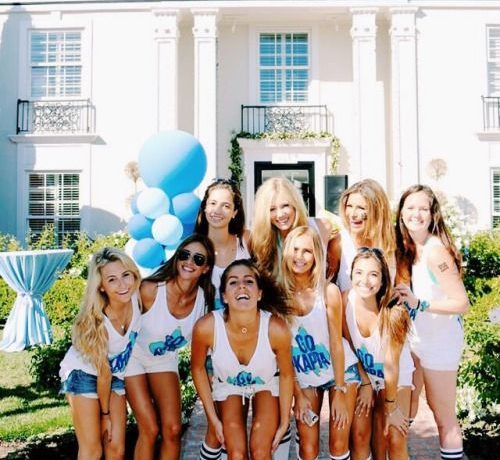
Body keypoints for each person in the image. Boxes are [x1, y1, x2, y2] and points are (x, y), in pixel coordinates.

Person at [394, 185, 469, 460]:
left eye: (423, 208)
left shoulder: (436, 252)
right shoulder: (409, 247)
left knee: (443, 417)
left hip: (440, 344)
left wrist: (420, 304)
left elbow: (461, 303)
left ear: (432, 214)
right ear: (401, 212)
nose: (416, 214)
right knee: (405, 407)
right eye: (410, 207)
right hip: (416, 340)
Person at [191, 259, 294, 460]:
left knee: (261, 451)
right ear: (224, 296)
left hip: (266, 383)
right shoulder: (206, 327)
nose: (241, 286)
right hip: (228, 385)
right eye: (233, 282)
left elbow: (286, 375)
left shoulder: (276, 328)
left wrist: (284, 422)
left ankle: (280, 434)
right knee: (236, 453)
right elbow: (198, 369)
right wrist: (213, 419)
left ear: (259, 293)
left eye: (248, 281)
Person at [124, 234, 215, 460]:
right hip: (132, 357)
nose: (189, 262)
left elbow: (207, 349)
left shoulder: (204, 300)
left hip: (163, 360)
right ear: (176, 257)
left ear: (205, 268)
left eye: (198, 259)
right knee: (149, 428)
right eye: (185, 255)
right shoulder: (150, 289)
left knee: (173, 429)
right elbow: (118, 325)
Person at [280, 226, 359, 460]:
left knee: (338, 443)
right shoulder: (278, 294)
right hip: (304, 375)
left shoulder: (328, 291)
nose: (300, 256)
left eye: (307, 251)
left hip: (340, 372)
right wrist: (297, 394)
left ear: (316, 256)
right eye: (295, 249)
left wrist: (341, 391)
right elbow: (282, 352)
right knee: (308, 447)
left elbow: (336, 343)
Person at [59, 247, 141, 459]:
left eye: (126, 275)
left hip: (114, 376)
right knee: (92, 450)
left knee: (116, 449)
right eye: (112, 280)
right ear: (101, 286)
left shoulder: (137, 298)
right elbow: (103, 374)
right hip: (83, 374)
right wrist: (105, 415)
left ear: (134, 274)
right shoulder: (98, 322)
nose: (122, 285)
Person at [194, 178, 252, 459]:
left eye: (225, 205)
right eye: (213, 203)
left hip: (247, 342)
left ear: (235, 211)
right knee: (222, 422)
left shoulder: (246, 241)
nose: (217, 211)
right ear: (204, 207)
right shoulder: (194, 248)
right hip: (213, 347)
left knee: (235, 419)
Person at [344, 247, 414, 460]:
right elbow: (348, 344)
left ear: (383, 279)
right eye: (359, 272)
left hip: (395, 378)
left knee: (394, 436)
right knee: (359, 435)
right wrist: (365, 382)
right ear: (351, 274)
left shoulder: (395, 312)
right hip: (367, 375)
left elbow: (391, 366)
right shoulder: (346, 300)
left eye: (373, 274)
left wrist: (391, 409)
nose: (365, 280)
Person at [249, 177, 336, 280]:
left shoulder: (322, 227)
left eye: (285, 206)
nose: (280, 214)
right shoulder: (259, 239)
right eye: (272, 209)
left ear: (295, 204)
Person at [333, 179, 396, 292]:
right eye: (349, 206)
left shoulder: (391, 244)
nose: (352, 214)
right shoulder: (338, 243)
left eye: (361, 208)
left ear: (377, 211)